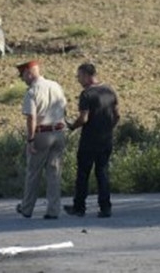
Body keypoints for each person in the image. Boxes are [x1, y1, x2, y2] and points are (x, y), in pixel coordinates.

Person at [64, 63, 120, 218]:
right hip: (106, 140)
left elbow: (84, 118)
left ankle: (79, 207)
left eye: (79, 76)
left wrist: (72, 126)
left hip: (89, 141)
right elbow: (117, 115)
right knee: (102, 172)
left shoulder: (86, 94)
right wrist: (108, 128)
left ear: (88, 76)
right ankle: (105, 207)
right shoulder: (109, 91)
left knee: (83, 174)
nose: (78, 79)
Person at [15, 60, 68, 219]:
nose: (22, 79)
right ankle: (53, 210)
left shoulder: (32, 91)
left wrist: (30, 140)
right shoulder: (56, 85)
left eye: (23, 75)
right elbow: (64, 108)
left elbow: (31, 118)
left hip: (41, 134)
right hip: (59, 132)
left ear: (29, 73)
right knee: (54, 173)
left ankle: (27, 208)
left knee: (33, 173)